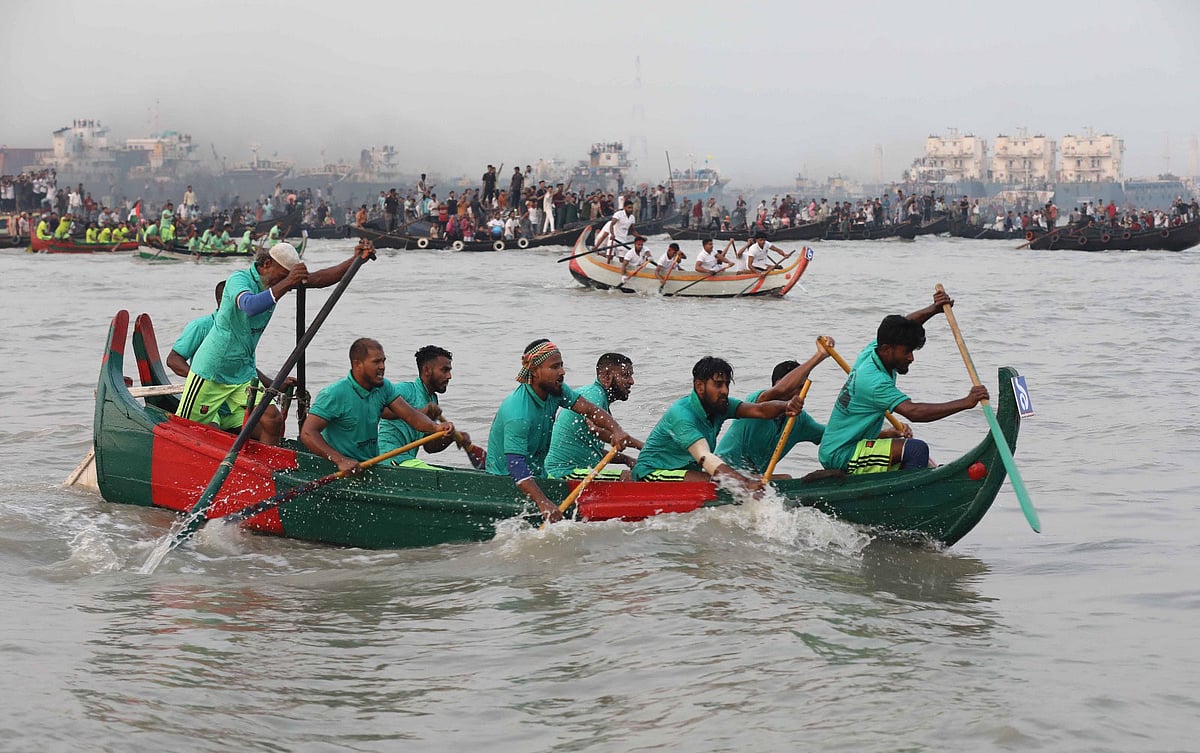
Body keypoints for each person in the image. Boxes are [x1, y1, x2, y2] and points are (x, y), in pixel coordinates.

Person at [176, 241, 371, 446]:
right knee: (185, 428)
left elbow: (319, 279)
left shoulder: (277, 283)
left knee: (273, 420)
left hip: (243, 372)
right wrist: (287, 283)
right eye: (282, 275)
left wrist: (356, 259)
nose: (285, 281)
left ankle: (268, 470)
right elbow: (249, 306)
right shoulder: (239, 280)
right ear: (267, 264)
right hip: (212, 370)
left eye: (287, 277)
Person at [818, 290, 988, 474]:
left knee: (922, 460)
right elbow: (913, 412)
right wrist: (965, 402)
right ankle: (907, 498)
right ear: (886, 349)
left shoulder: (872, 351)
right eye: (906, 352)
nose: (911, 358)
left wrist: (934, 309)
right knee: (916, 450)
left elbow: (906, 325)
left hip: (849, 444)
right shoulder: (874, 381)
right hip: (842, 454)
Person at [485, 339, 637, 523]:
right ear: (534, 371)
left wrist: (617, 430)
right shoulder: (518, 412)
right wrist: (543, 503)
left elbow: (589, 410)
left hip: (538, 477)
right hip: (506, 483)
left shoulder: (556, 391)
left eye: (562, 365)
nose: (562, 372)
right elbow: (515, 465)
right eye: (555, 367)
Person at [631, 356, 804, 489]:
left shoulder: (719, 406)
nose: (725, 391)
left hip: (686, 472)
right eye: (718, 385)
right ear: (700, 386)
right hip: (652, 473)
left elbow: (760, 410)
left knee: (763, 479)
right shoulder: (681, 415)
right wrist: (744, 483)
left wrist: (786, 405)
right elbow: (705, 457)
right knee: (721, 482)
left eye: (727, 385)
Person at [301, 338, 453, 472]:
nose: (382, 367)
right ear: (357, 364)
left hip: (369, 466)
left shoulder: (384, 387)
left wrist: (436, 428)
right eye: (376, 362)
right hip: (339, 468)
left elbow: (411, 416)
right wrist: (340, 460)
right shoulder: (334, 394)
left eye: (383, 361)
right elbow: (308, 433)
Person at [714, 343, 832, 476]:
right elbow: (779, 391)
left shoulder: (800, 420)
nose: (802, 394)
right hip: (722, 474)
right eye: (798, 387)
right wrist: (819, 356)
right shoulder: (758, 401)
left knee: (786, 478)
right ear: (778, 382)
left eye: (804, 388)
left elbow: (831, 435)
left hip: (754, 481)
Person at [545, 352, 642, 479]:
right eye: (625, 375)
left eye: (631, 376)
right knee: (637, 478)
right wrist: (642, 446)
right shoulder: (594, 394)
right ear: (606, 376)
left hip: (568, 472)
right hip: (563, 473)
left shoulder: (598, 397)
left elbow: (593, 451)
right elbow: (595, 429)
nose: (632, 381)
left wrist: (627, 460)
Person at [376, 345, 473, 469]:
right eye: (444, 370)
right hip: (387, 458)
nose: (449, 376)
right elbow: (378, 409)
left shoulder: (432, 399)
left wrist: (452, 436)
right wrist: (422, 412)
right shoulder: (405, 390)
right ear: (427, 370)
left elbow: (429, 447)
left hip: (406, 460)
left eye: (449, 371)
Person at [167, 281, 227, 378]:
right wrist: (198, 378)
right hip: (209, 387)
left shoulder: (245, 328)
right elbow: (173, 360)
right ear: (222, 302)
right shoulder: (200, 326)